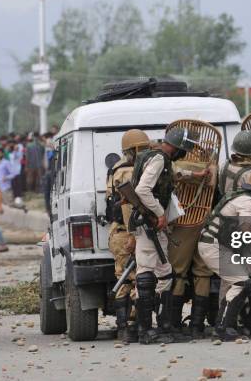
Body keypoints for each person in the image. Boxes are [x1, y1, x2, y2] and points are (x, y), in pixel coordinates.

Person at [198, 165, 251, 342]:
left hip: (220, 245)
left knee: (248, 278)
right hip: (213, 246)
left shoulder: (245, 197)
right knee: (241, 282)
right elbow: (246, 235)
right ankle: (222, 327)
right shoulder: (247, 203)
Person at [131, 127, 195, 345]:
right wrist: (159, 213)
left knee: (164, 273)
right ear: (175, 147)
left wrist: (195, 175)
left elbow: (170, 176)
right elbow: (142, 190)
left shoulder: (157, 157)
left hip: (152, 225)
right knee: (148, 274)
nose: (182, 153)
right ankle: (145, 329)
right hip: (149, 224)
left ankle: (161, 326)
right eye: (183, 149)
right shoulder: (158, 158)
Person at [106, 129, 150, 344]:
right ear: (132, 150)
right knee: (130, 279)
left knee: (130, 278)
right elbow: (128, 207)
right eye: (141, 149)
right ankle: (127, 327)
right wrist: (133, 234)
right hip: (126, 232)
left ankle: (129, 326)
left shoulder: (118, 168)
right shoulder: (126, 172)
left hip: (123, 231)